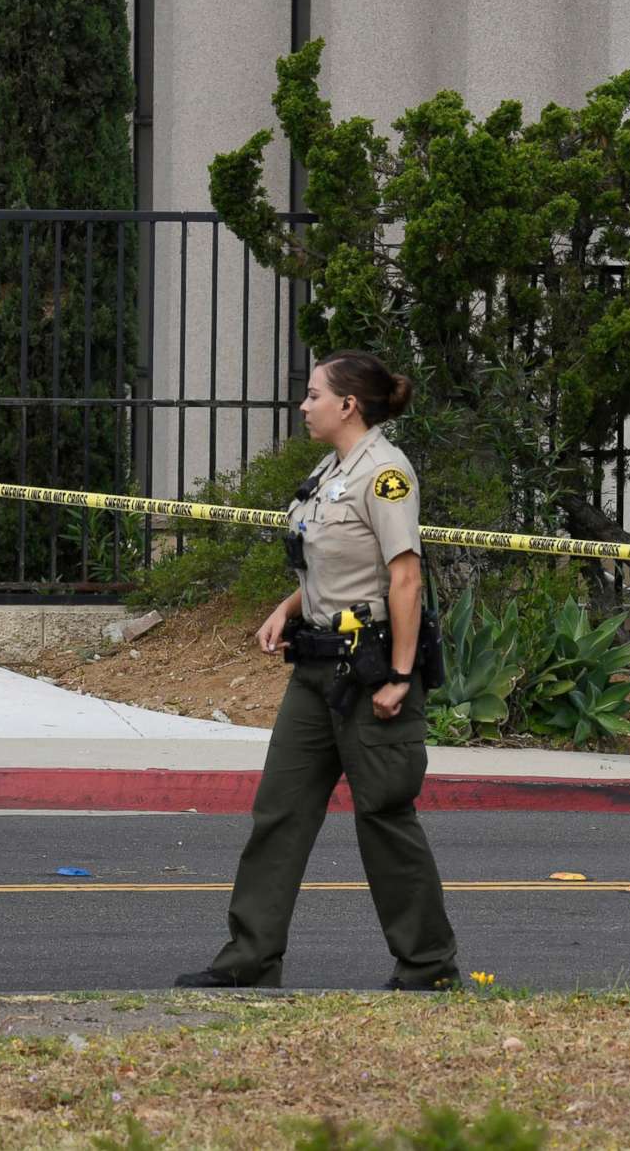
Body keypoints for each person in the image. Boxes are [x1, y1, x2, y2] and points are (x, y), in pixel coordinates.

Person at [175, 350, 460, 991]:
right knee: (279, 811)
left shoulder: (386, 473)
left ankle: (428, 964)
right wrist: (286, 607)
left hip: (372, 671)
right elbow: (333, 565)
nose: (304, 406)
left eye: (312, 396)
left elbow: (404, 576)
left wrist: (401, 675)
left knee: (384, 815)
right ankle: (251, 958)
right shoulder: (329, 469)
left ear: (348, 405)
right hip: (316, 668)